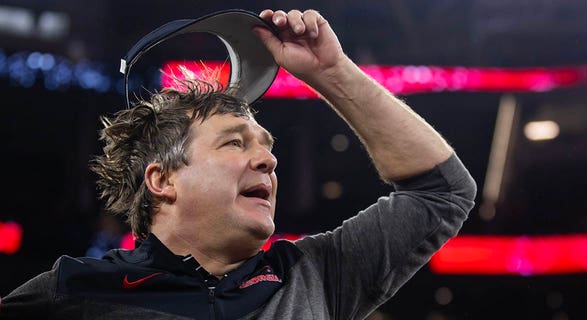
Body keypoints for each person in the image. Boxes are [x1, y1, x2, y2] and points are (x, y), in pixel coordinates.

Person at [0, 8, 476, 319]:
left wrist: (331, 72)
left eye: (266, 145)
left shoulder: (318, 274)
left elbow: (441, 192)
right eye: (234, 143)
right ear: (163, 179)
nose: (268, 159)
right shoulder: (75, 292)